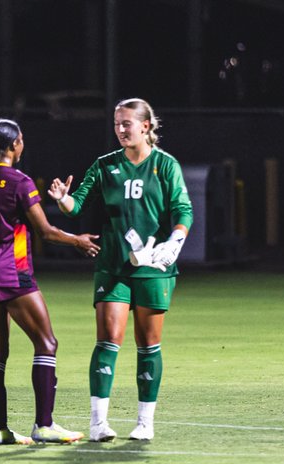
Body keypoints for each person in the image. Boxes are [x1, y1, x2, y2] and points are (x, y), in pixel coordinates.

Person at [48, 98, 193, 442]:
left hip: (153, 269)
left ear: (146, 126)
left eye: (127, 123)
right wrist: (63, 199)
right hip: (113, 266)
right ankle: (99, 422)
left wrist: (174, 242)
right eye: (117, 123)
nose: (121, 130)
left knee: (148, 345)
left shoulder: (165, 165)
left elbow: (183, 210)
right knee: (108, 340)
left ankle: (145, 422)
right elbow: (76, 205)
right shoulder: (104, 165)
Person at [0, 118, 101, 445]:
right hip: (12, 272)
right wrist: (78, 240)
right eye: (21, 138)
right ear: (13, 146)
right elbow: (46, 231)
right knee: (47, 343)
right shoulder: (19, 182)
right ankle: (44, 425)